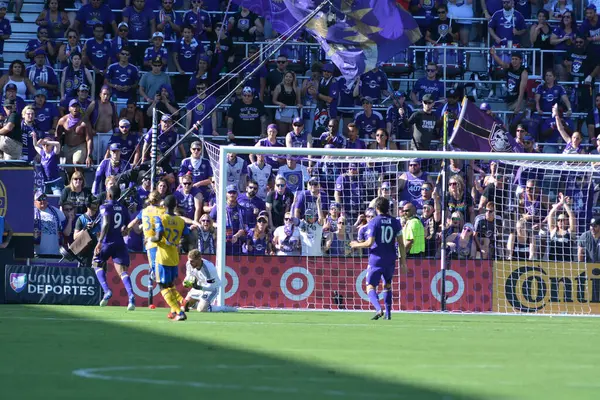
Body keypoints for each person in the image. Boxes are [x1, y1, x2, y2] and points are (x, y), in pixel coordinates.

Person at [349, 197, 407, 320]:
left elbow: (369, 243)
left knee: (370, 285)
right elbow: (401, 243)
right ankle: (388, 313)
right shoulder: (395, 222)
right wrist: (403, 262)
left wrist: (356, 244)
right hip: (391, 258)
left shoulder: (374, 222)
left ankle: (378, 308)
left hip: (376, 258)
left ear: (376, 208)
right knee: (387, 285)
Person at [93, 186, 135, 310]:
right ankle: (131, 296)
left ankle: (107, 291)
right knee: (123, 272)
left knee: (96, 263)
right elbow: (127, 225)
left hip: (107, 242)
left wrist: (100, 241)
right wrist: (124, 230)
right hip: (120, 242)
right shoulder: (123, 208)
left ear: (109, 195)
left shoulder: (104, 207)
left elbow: (105, 223)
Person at [149, 194, 189, 321]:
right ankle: (176, 307)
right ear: (175, 205)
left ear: (164, 205)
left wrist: (151, 239)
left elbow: (159, 235)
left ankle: (179, 311)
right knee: (170, 284)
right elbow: (188, 235)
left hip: (162, 256)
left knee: (162, 285)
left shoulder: (161, 218)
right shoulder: (181, 221)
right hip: (174, 256)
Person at [56, 99, 93, 167]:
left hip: (80, 146)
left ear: (80, 108)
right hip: (67, 147)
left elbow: (89, 139)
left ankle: (81, 176)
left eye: (77, 106)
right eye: (73, 106)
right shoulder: (63, 120)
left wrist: (89, 155)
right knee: (68, 170)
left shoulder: (84, 122)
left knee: (77, 163)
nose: (75, 108)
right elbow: (57, 137)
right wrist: (58, 151)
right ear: (69, 108)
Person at [490, 48, 528, 112]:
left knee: (516, 120)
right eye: (512, 59)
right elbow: (501, 63)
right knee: (509, 119)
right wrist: (493, 54)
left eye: (516, 59)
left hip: (519, 100)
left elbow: (522, 92)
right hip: (509, 99)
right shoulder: (509, 67)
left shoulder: (523, 73)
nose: (514, 61)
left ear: (520, 60)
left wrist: (518, 106)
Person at [34, 190, 71, 256]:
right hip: (37, 253)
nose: (42, 201)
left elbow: (66, 232)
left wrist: (70, 219)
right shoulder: (31, 213)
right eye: (39, 199)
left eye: (44, 198)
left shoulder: (56, 212)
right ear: (34, 202)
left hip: (54, 252)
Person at [73, 198, 101, 268]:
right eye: (94, 203)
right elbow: (75, 237)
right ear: (88, 205)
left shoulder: (101, 217)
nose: (96, 205)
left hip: (97, 250)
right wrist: (85, 229)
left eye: (97, 203)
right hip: (85, 251)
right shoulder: (81, 219)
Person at [273, 71, 302, 135]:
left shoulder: (297, 88)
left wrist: (299, 105)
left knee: (293, 134)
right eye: (287, 76)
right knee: (283, 134)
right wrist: (279, 103)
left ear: (293, 79)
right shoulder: (279, 87)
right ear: (284, 77)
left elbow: (298, 101)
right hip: (281, 113)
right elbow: (274, 100)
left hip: (293, 113)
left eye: (290, 77)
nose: (288, 78)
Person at [0, 3, 11, 68]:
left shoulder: (7, 21)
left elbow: (8, 35)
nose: (3, 11)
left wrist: (1, 36)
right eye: (1, 9)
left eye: (4, 10)